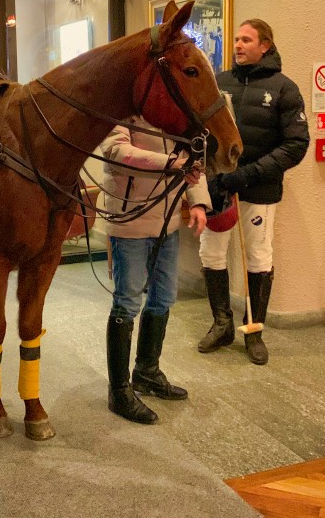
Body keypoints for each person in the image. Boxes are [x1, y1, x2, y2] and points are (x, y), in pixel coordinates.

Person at [197, 19, 310, 364]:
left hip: (259, 187)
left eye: (246, 40)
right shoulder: (219, 83)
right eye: (236, 39)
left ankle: (254, 330)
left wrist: (247, 175)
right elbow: (200, 133)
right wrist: (210, 176)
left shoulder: (284, 88)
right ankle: (222, 324)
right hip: (219, 187)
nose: (238, 45)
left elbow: (296, 145)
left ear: (265, 45)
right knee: (211, 253)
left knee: (259, 257)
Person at [101, 117, 210, 424]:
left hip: (167, 222)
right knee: (127, 302)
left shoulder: (175, 112)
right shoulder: (123, 108)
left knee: (163, 298)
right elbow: (116, 151)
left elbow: (193, 159)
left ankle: (147, 372)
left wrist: (198, 202)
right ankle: (119, 391)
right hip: (130, 221)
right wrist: (174, 164)